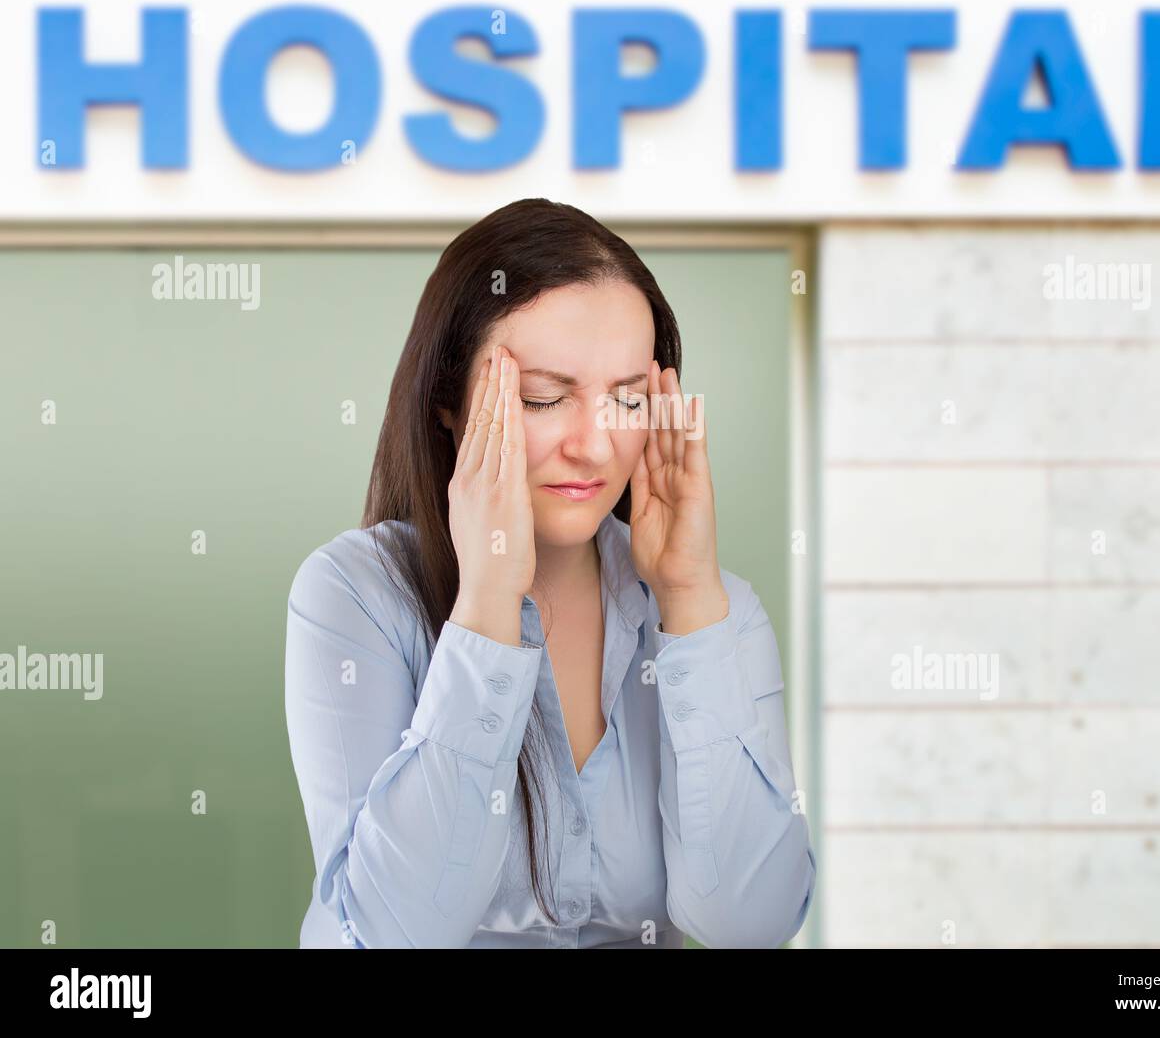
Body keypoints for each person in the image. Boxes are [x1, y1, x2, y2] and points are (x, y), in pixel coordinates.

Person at [284, 197, 816, 947]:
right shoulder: (353, 595)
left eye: (629, 399)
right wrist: (488, 605)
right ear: (446, 400)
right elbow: (391, 934)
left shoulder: (721, 612)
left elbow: (749, 921)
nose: (595, 445)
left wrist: (690, 599)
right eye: (543, 398)